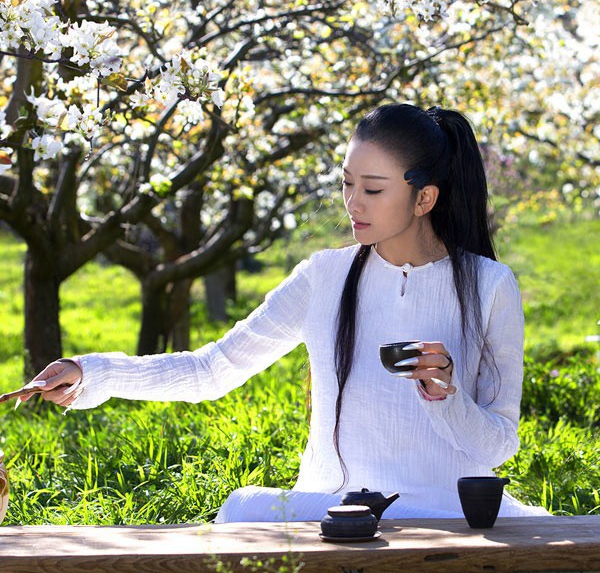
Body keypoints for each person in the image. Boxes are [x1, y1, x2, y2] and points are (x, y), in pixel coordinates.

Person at [16, 103, 546, 527]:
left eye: (373, 189)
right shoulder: (324, 277)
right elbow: (212, 369)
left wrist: (446, 398)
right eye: (346, 184)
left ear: (424, 197)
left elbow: (499, 443)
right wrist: (93, 373)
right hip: (340, 518)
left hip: (446, 518)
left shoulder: (488, 285)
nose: (352, 204)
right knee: (244, 509)